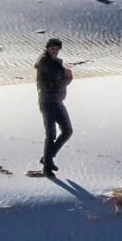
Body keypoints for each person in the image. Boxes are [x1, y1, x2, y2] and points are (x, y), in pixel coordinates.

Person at [35, 37, 73, 177]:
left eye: (57, 49)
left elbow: (60, 81)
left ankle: (47, 158)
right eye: (52, 48)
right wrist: (66, 77)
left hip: (57, 101)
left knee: (67, 131)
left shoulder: (55, 63)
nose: (55, 51)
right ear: (47, 48)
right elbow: (55, 82)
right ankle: (46, 168)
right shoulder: (44, 62)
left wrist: (65, 78)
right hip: (47, 102)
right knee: (51, 134)